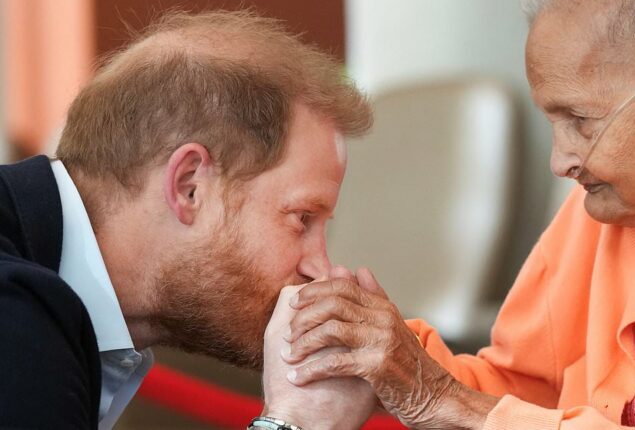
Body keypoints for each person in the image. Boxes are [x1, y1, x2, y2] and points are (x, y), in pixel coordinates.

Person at [278, 1, 635, 429]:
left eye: (581, 120)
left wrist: (442, 399)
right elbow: (518, 390)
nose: (561, 161)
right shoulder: (611, 203)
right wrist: (382, 356)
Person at [0, 10, 377, 430]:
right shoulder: (16, 320)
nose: (321, 269)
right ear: (189, 185)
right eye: (301, 218)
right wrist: (296, 422)